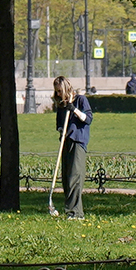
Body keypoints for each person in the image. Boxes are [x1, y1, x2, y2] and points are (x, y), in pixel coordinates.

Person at [54, 78, 92, 219]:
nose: (58, 94)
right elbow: (59, 124)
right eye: (56, 91)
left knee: (75, 176)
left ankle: (76, 212)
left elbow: (88, 119)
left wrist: (74, 110)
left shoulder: (80, 100)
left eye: (60, 90)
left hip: (78, 141)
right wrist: (61, 130)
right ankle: (70, 210)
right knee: (66, 177)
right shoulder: (61, 105)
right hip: (66, 141)